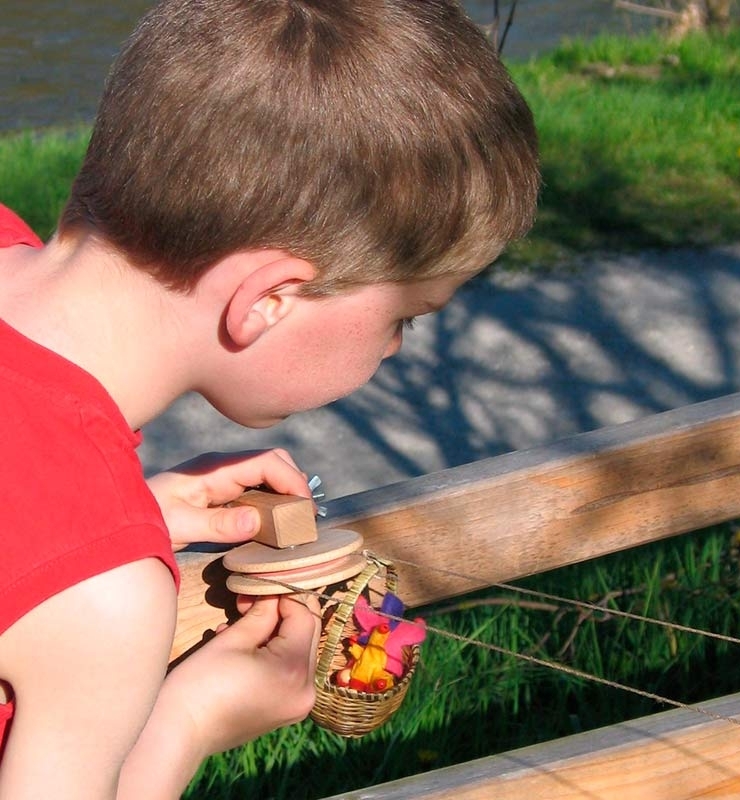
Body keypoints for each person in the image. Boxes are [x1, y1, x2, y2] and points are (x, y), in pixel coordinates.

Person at [0, 0, 540, 797]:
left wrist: (113, 511)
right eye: (402, 317)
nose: (394, 347)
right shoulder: (103, 605)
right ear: (268, 301)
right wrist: (185, 722)